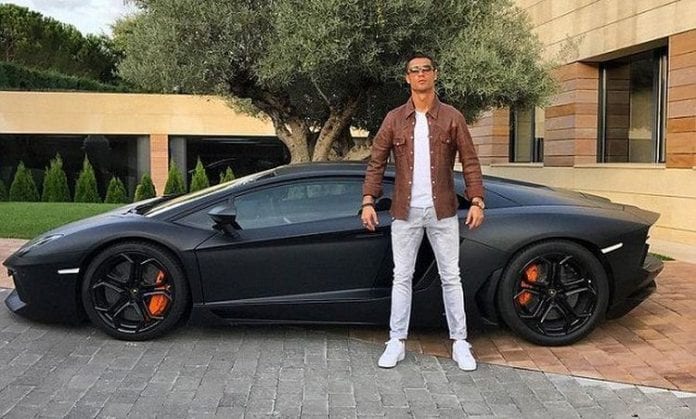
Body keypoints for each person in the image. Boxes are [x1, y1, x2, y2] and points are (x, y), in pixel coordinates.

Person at [361, 53, 485, 370]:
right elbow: (376, 162)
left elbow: (470, 161)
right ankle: (396, 341)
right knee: (401, 276)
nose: (420, 75)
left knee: (451, 276)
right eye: (414, 71)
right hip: (405, 211)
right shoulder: (394, 119)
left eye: (425, 69)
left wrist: (476, 200)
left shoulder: (452, 117)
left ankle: (460, 342)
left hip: (443, 210)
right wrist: (368, 200)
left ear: (434, 74)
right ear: (407, 78)